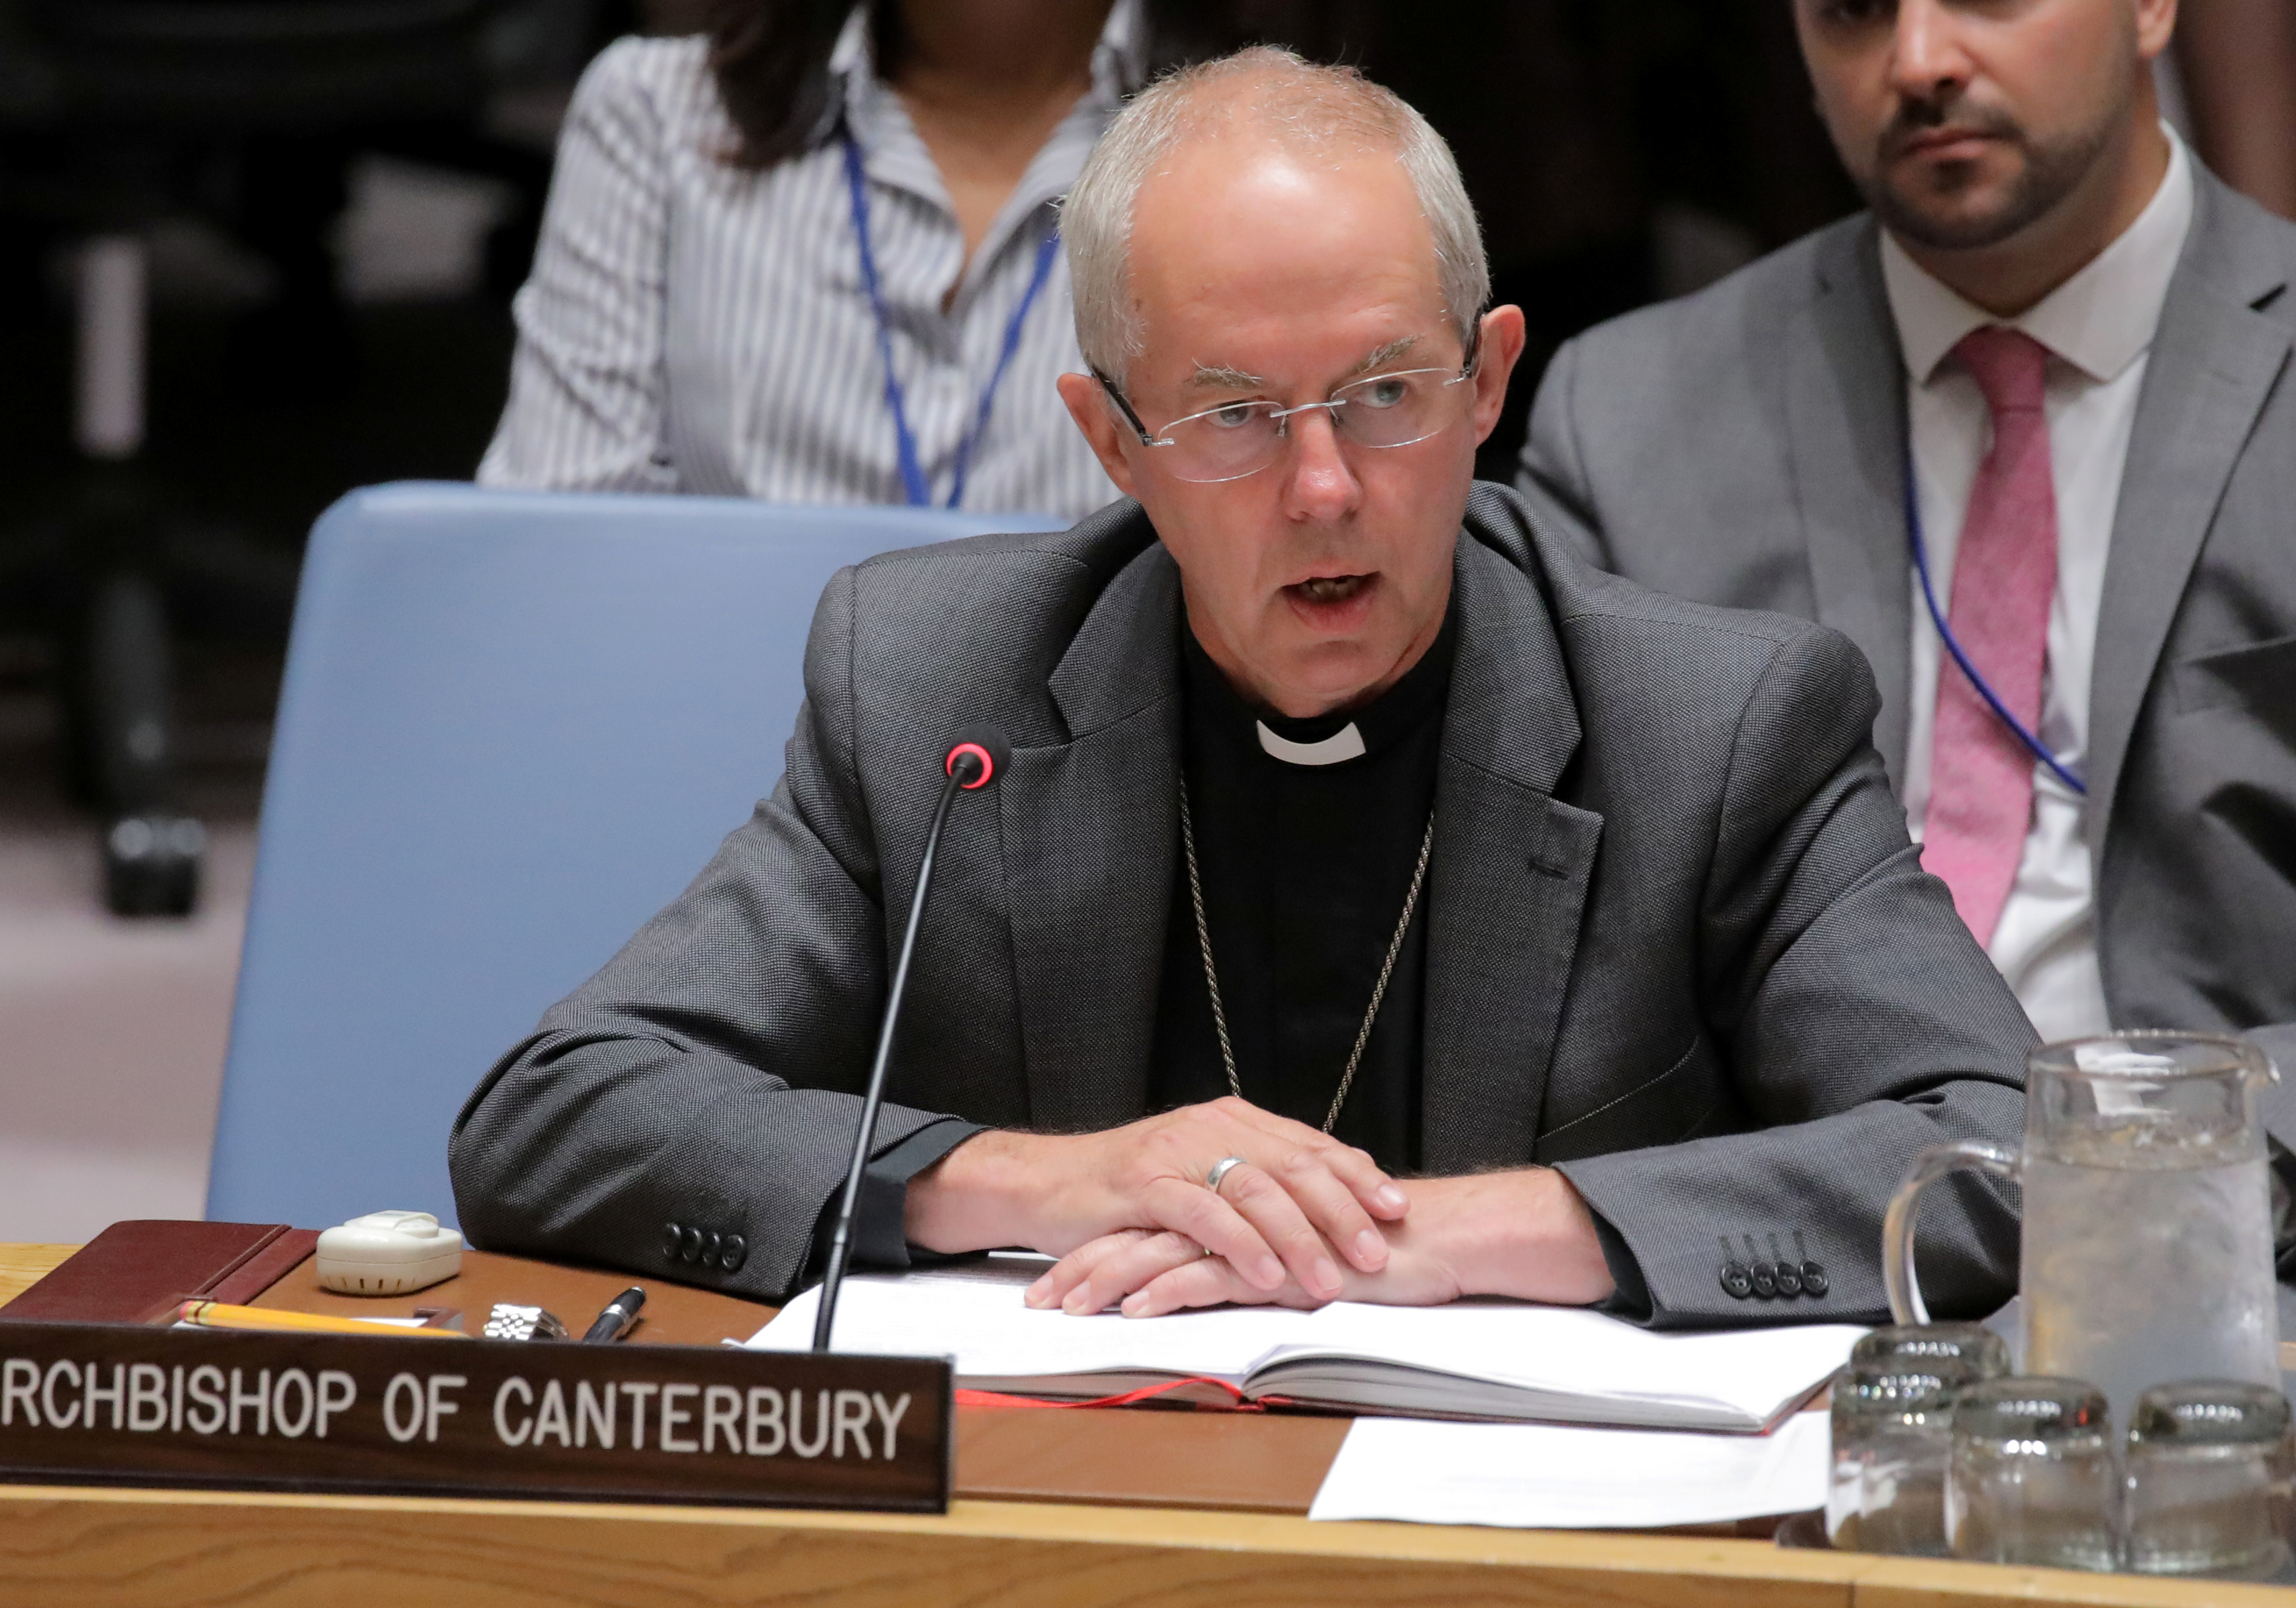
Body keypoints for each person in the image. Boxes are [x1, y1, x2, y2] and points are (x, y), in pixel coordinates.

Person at [451, 47, 2033, 1331]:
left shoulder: (1712, 724)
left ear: (1487, 382)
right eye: (1230, 416)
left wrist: (1453, 1230)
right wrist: (1036, 1181)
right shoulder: (937, 692)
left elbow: (2006, 1154)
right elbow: (555, 1113)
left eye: (1383, 396)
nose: (1324, 487)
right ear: (1109, 441)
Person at [1518, 0, 2296, 1085]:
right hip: (1803, 1215)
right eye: (1853, 12)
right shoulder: (1627, 421)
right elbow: (1555, 963)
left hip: (2239, 1210)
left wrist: (2154, 1168)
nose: (1918, 60)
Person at [477, 0, 1233, 520]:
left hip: (1100, 736)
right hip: (740, 721)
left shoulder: (1256, 161)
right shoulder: (653, 115)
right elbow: (560, 545)